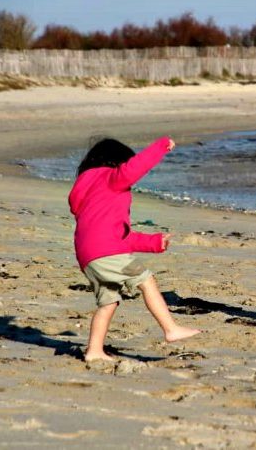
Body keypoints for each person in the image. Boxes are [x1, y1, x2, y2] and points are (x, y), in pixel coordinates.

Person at [68, 136, 200, 362]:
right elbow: (133, 169)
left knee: (108, 303)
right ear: (117, 162)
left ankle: (94, 351)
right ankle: (170, 329)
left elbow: (118, 236)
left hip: (88, 256)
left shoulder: (88, 193)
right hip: (106, 251)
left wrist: (154, 243)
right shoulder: (111, 178)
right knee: (146, 280)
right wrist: (161, 146)